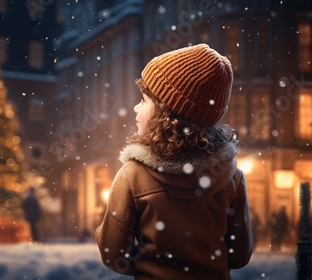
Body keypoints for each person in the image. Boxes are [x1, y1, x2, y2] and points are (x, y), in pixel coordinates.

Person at [95, 44, 253, 280]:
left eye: (144, 100)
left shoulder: (133, 174)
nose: (135, 108)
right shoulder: (231, 176)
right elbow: (239, 255)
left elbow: (113, 253)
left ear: (165, 112)